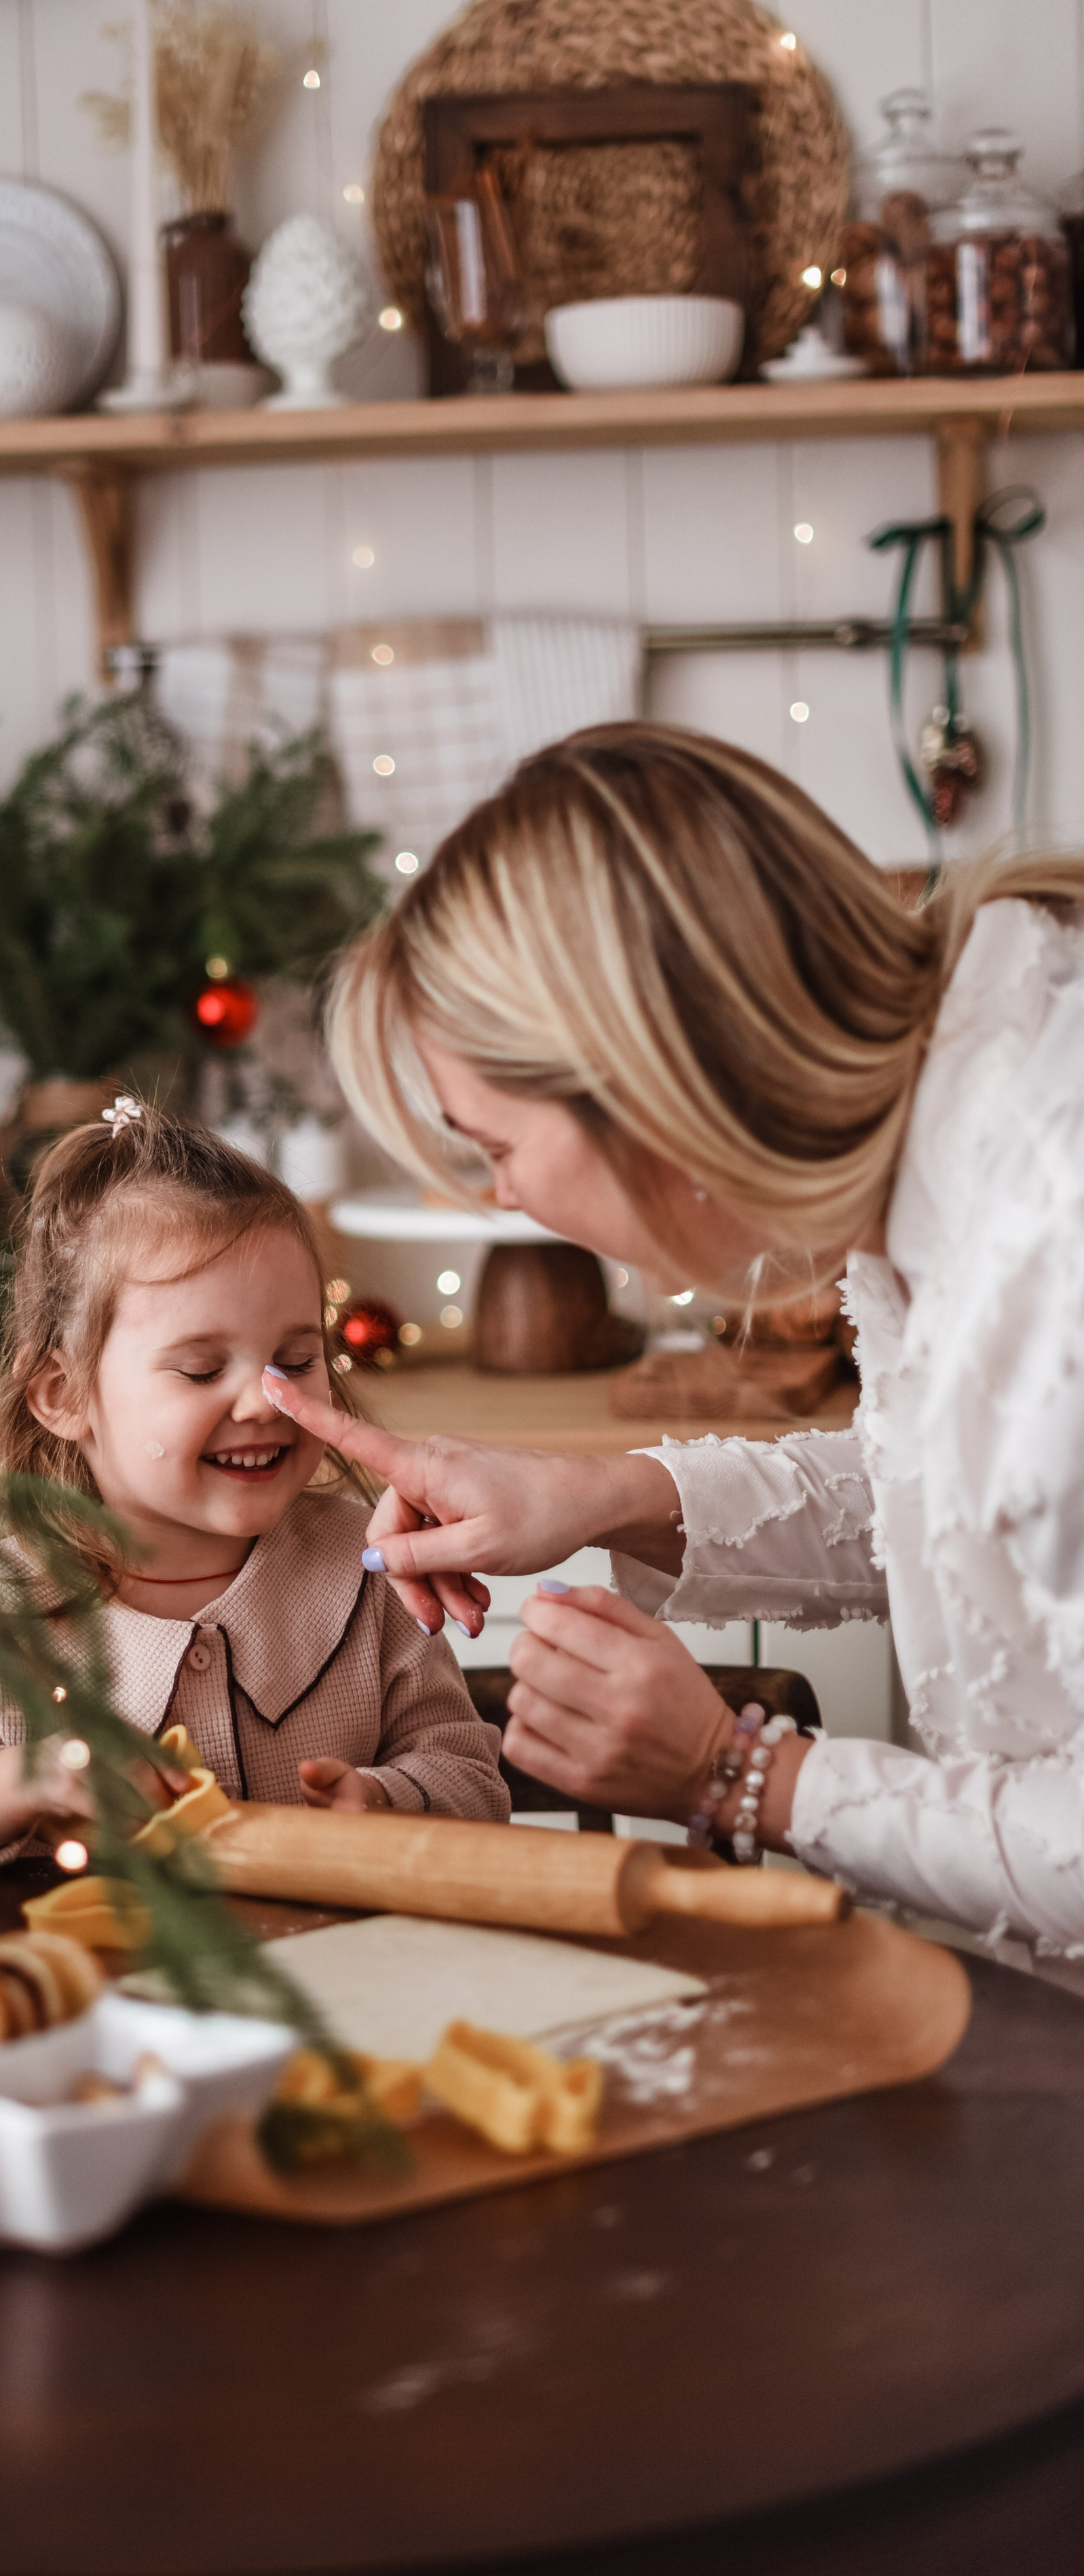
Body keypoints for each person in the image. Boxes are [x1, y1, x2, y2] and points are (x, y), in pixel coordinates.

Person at [263, 721, 1084, 1959]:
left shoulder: (1051, 1225)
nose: (503, 1200)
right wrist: (603, 1496)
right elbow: (968, 1496)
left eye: (495, 1148)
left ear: (648, 1083)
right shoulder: (948, 1121)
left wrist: (740, 1771)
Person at [0, 1103, 512, 1871]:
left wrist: (385, 1801)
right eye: (200, 1369)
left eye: (295, 1360)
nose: (263, 1401)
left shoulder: (370, 1571)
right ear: (63, 1395)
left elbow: (473, 1782)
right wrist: (24, 1782)